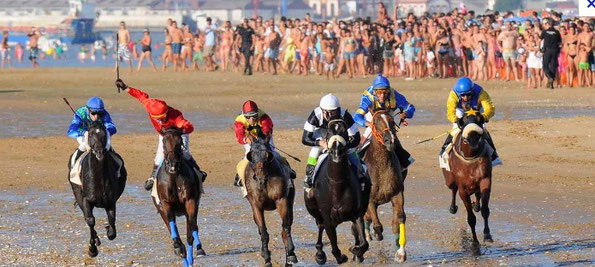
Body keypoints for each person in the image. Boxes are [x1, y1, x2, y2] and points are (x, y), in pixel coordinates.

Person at [114, 79, 206, 191]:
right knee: (159, 157)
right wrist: (125, 87)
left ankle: (198, 172)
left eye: (162, 118)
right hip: (164, 135)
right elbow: (140, 96)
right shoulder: (149, 105)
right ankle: (152, 178)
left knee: (184, 153)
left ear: (166, 113)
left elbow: (189, 126)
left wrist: (182, 129)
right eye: (157, 119)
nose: (160, 121)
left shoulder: (175, 116)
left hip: (179, 134)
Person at [353, 74, 415, 173]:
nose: (382, 95)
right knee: (369, 132)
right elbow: (356, 117)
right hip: (372, 115)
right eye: (379, 92)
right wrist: (368, 124)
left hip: (388, 114)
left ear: (389, 91)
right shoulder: (368, 98)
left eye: (385, 92)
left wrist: (406, 114)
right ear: (374, 92)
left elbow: (411, 107)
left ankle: (403, 163)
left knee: (391, 135)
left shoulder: (395, 96)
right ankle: (358, 157)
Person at [302, 94, 366, 189]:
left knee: (352, 151)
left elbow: (356, 138)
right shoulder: (315, 115)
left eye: (332, 112)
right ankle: (309, 176)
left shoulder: (345, 115)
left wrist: (344, 146)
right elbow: (305, 139)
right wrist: (320, 143)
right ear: (321, 110)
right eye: (326, 113)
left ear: (338, 110)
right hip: (322, 135)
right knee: (315, 150)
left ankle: (360, 172)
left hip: (340, 135)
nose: (329, 116)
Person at [439, 77, 501, 165]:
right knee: (456, 128)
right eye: (463, 95)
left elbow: (490, 108)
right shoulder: (453, 94)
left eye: (468, 95)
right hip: (460, 109)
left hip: (476, 109)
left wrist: (483, 117)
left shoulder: (481, 92)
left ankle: (493, 154)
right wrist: (456, 120)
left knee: (482, 128)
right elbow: (450, 111)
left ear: (472, 91)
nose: (466, 98)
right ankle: (444, 150)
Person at [233, 100, 295, 186]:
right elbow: (239, 136)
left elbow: (267, 128)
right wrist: (246, 139)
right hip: (249, 138)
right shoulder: (239, 121)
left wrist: (264, 139)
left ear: (257, 113)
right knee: (248, 156)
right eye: (248, 117)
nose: (252, 120)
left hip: (264, 137)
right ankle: (240, 177)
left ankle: (288, 172)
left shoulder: (264, 117)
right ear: (244, 115)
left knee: (273, 154)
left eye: (254, 116)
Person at [67, 97, 117, 163]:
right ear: (88, 110)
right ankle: (73, 165)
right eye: (93, 113)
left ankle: (119, 168)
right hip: (84, 134)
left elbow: (112, 128)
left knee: (108, 147)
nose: (96, 116)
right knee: (84, 146)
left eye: (99, 113)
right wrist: (84, 133)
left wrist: (106, 131)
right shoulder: (80, 113)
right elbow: (70, 132)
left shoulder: (105, 113)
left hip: (98, 134)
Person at [540, 19, 562, 89]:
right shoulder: (557, 32)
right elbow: (560, 43)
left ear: (548, 24)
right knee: (553, 67)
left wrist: (540, 49)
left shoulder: (545, 31)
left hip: (547, 50)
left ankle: (549, 77)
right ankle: (551, 84)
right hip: (555, 50)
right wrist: (559, 51)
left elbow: (540, 40)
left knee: (545, 66)